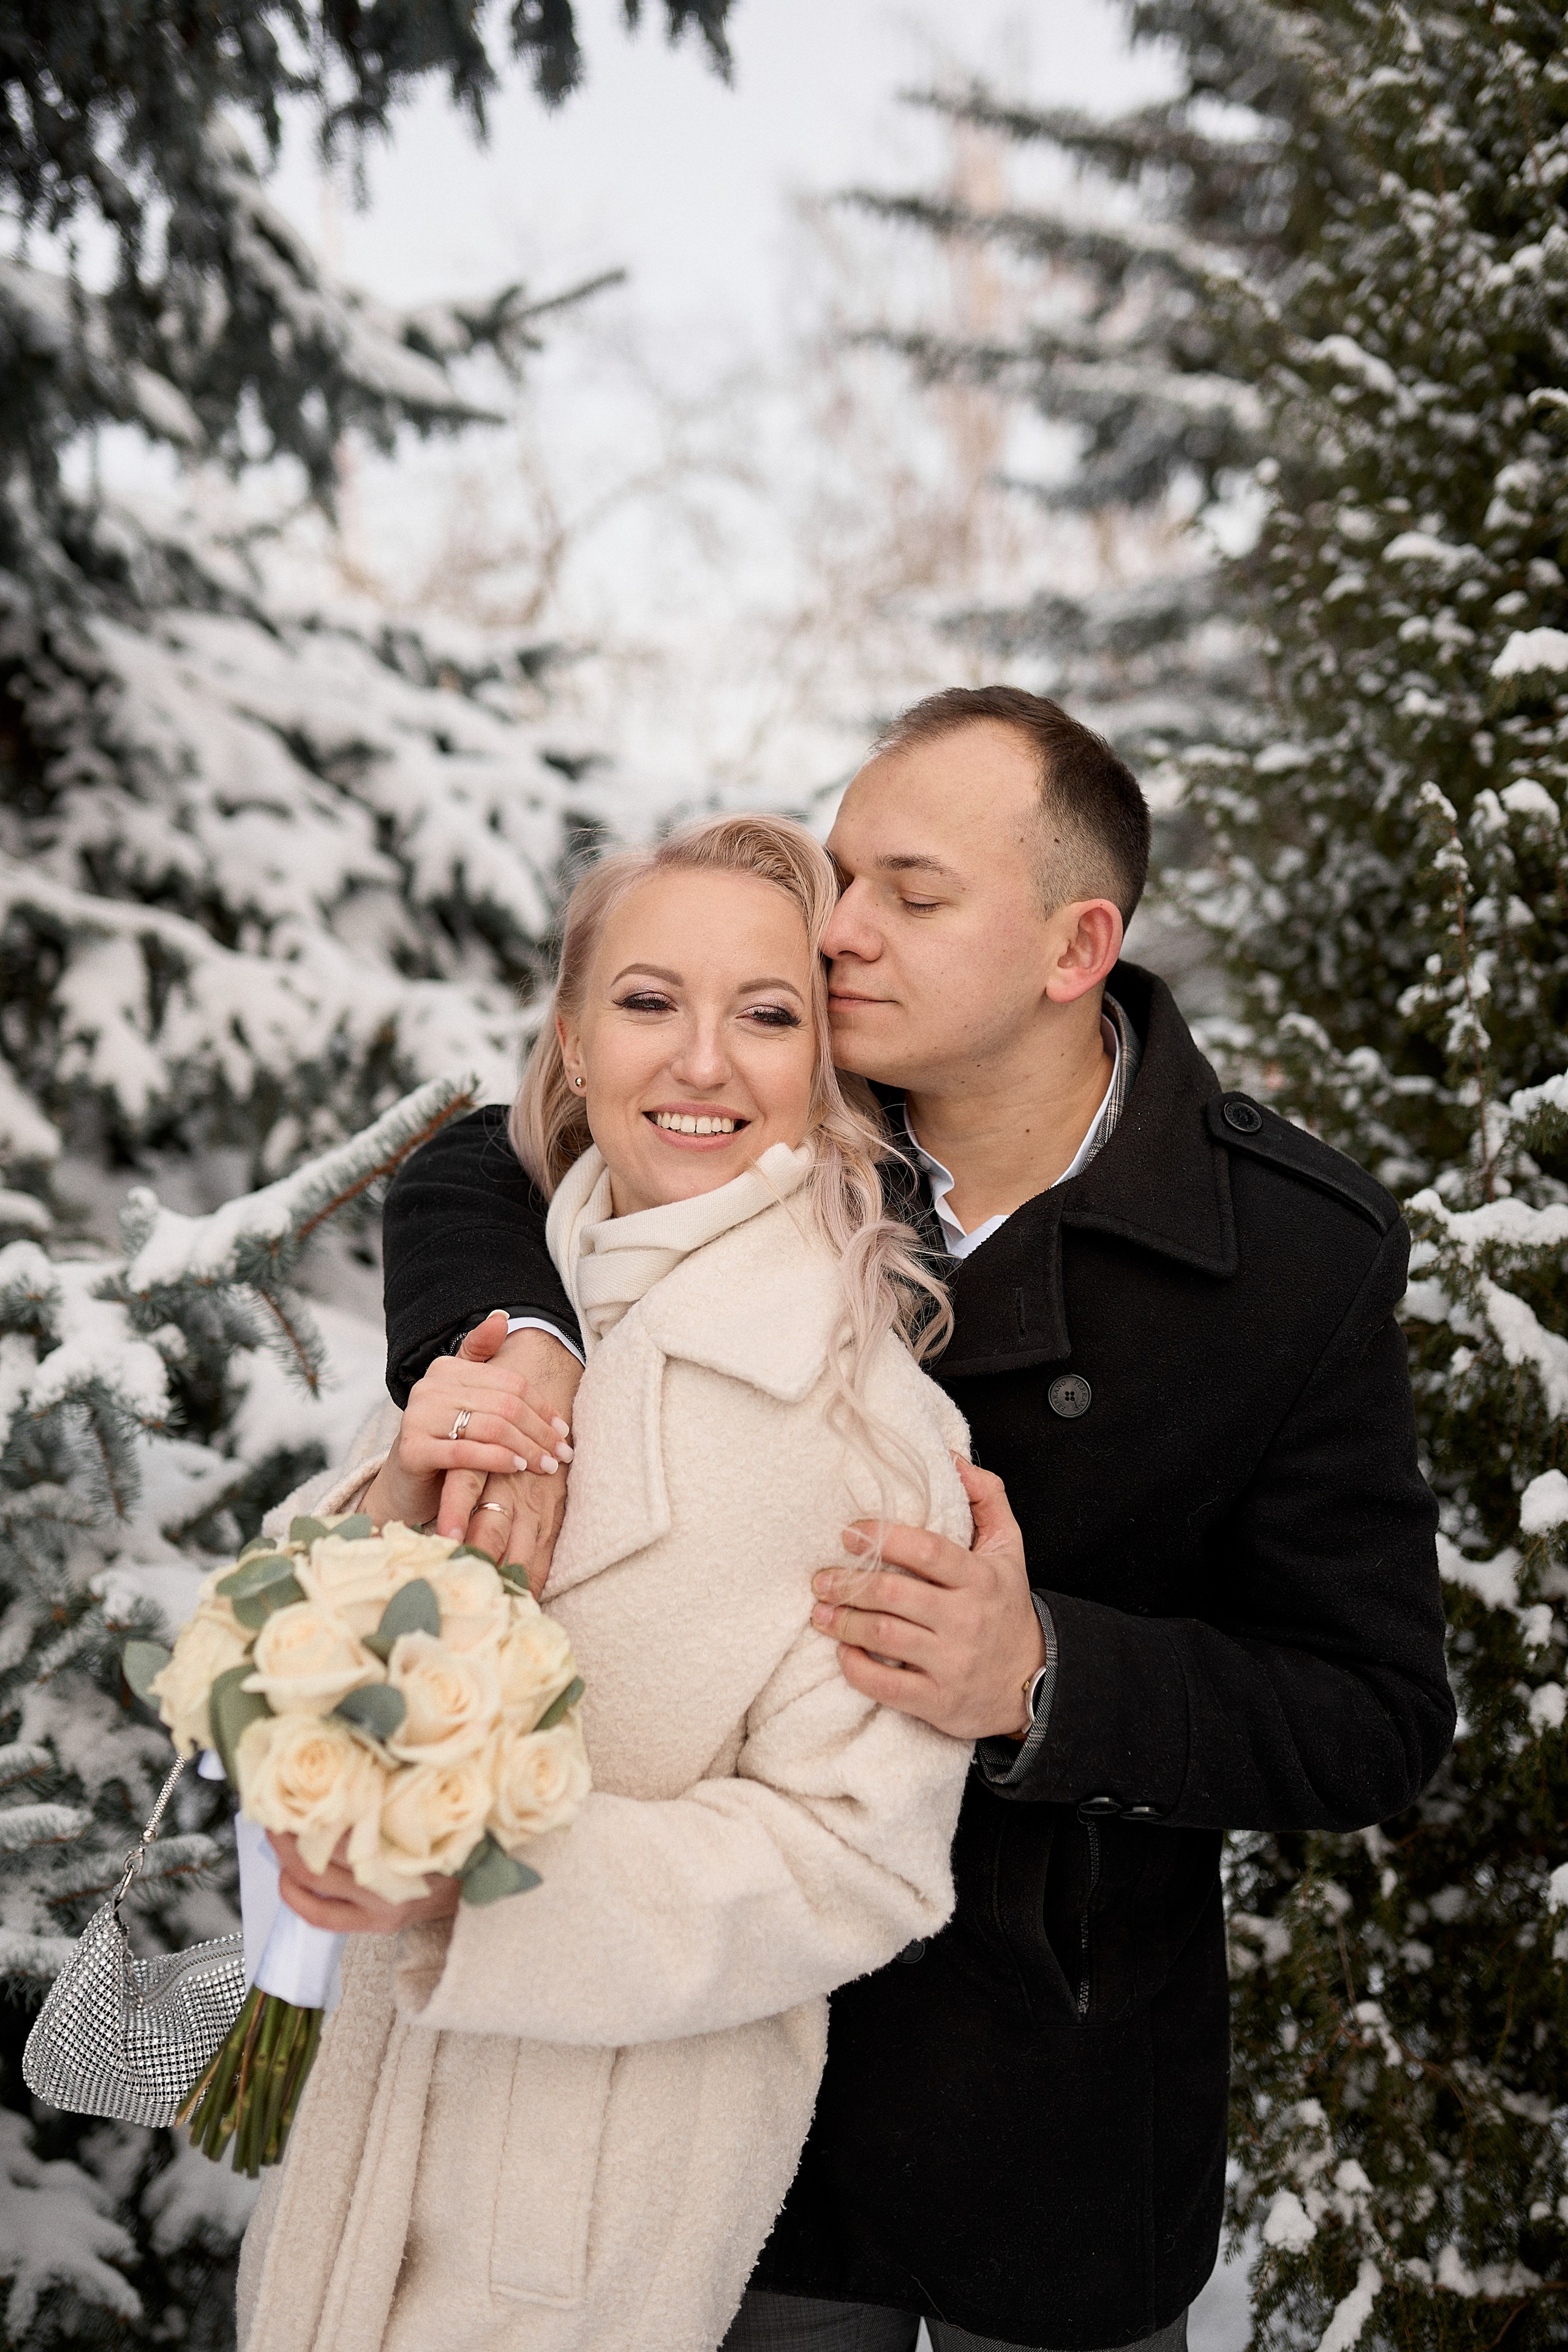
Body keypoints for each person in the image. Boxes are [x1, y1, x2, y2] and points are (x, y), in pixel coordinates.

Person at [375, 687, 1455, 2352]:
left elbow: (1370, 1716)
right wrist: (524, 1338)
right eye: (842, 872)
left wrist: (1043, 1679)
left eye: (912, 894)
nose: (836, 932)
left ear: (1074, 946)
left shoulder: (1291, 1258)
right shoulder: (784, 1098)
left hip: (1054, 2087)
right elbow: (488, 1154)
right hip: (735, 2066)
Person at [233, 816, 976, 2352]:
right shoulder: (506, 1320)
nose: (701, 1061)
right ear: (572, 1044)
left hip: (584, 2207)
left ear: (824, 1063)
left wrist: (479, 1881)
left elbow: (860, 1860)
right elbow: (267, 1651)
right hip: (350, 2147)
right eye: (647, 1002)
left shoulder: (869, 1430)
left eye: (764, 1014)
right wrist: (391, 1500)